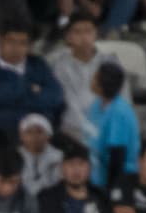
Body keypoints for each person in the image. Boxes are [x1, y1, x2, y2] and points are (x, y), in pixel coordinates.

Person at [0, 21, 65, 139]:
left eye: (22, 43)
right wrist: (30, 89)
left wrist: (9, 96)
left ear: (29, 46)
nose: (16, 48)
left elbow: (56, 97)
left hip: (39, 134)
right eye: (11, 41)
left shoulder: (38, 64)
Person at [49, 12, 123, 143]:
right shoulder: (60, 66)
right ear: (68, 37)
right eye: (77, 32)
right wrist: (94, 132)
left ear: (96, 34)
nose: (84, 37)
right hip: (74, 131)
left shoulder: (111, 62)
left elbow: (122, 99)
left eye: (88, 31)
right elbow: (70, 105)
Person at [86, 61, 140, 190]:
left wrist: (111, 192)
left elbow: (117, 158)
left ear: (103, 84)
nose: (92, 79)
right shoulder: (97, 104)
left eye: (95, 77)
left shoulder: (119, 112)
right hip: (94, 175)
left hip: (115, 181)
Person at [18, 113, 62, 195]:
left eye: (39, 131)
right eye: (29, 132)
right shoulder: (15, 156)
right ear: (21, 136)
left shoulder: (59, 157)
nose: (34, 136)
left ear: (48, 135)